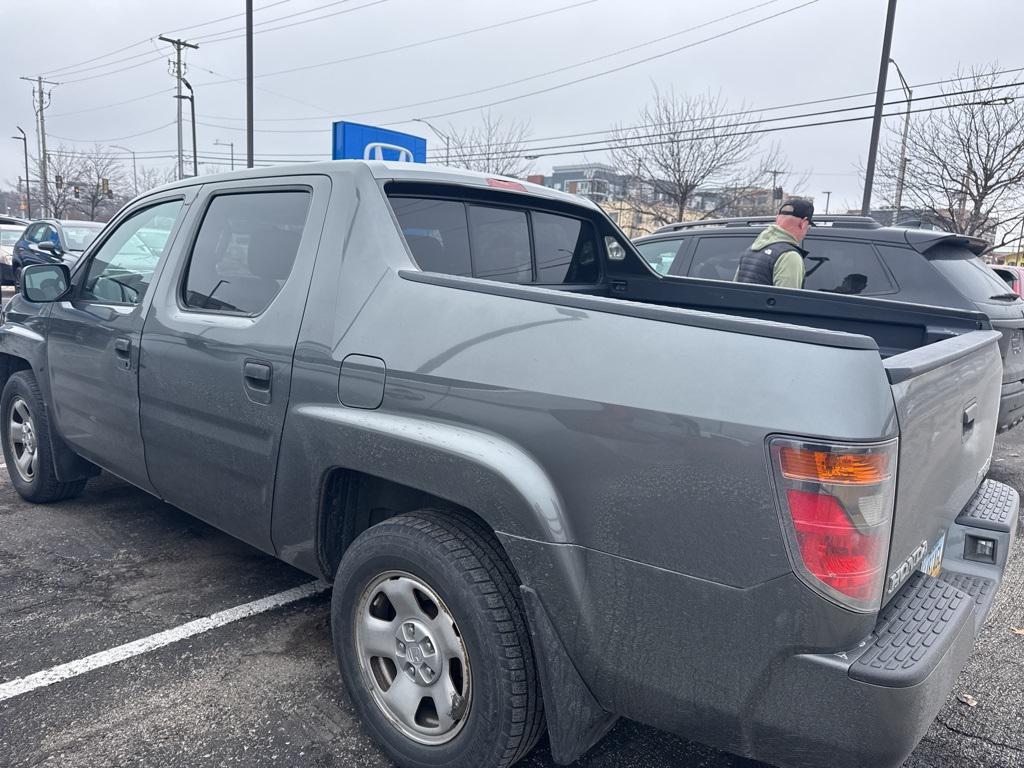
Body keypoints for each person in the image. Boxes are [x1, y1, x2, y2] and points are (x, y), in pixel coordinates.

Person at [735, 199, 813, 289]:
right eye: (808, 227)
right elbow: (787, 301)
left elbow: (736, 288)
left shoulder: (751, 249)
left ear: (777, 218)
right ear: (803, 223)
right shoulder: (789, 256)